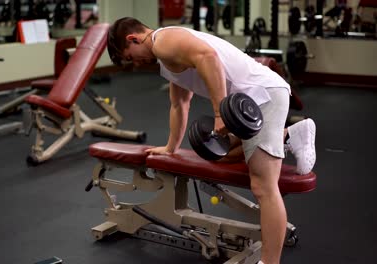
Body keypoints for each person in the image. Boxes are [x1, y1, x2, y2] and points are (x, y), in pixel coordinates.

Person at [107, 17, 316, 264]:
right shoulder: (166, 57)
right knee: (224, 155)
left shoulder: (163, 41)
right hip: (246, 105)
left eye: (131, 57)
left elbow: (208, 57)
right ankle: (290, 134)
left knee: (263, 186)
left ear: (134, 39)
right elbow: (179, 104)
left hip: (263, 96)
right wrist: (170, 147)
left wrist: (219, 112)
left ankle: (269, 261)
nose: (136, 64)